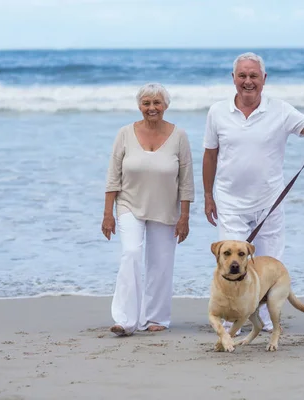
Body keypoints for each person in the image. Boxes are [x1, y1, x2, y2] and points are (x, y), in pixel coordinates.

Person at [202, 52, 304, 334]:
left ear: (264, 79)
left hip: (270, 202)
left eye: (253, 76)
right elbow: (210, 155)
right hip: (230, 201)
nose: (248, 81)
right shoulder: (217, 112)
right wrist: (208, 196)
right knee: (230, 264)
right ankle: (229, 316)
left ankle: (266, 320)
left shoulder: (280, 110)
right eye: (242, 76)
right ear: (233, 78)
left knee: (268, 265)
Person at [102, 82, 195, 336]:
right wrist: (107, 213)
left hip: (166, 208)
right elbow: (113, 176)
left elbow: (186, 180)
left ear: (165, 106)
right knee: (131, 253)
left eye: (157, 103)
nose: (151, 108)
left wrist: (184, 216)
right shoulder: (124, 133)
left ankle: (156, 317)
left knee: (161, 263)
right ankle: (125, 320)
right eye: (146, 103)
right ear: (139, 106)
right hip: (129, 203)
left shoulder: (179, 136)